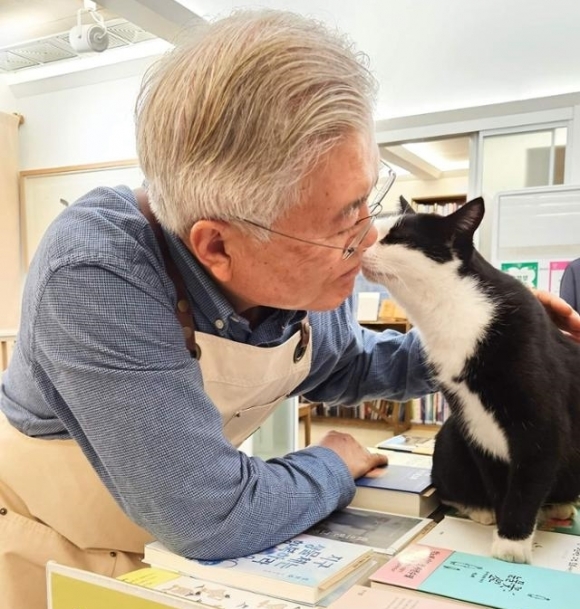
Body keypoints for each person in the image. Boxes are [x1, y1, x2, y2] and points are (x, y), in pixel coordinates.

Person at [1, 10, 580, 609]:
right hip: (72, 551)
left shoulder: (303, 267)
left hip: (204, 549)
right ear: (218, 246)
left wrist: (492, 342)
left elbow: (349, 367)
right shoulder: (97, 272)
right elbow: (211, 516)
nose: (368, 238)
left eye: (367, 202)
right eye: (343, 221)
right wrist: (333, 459)